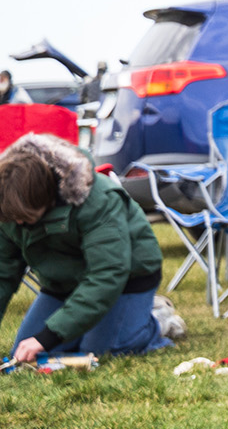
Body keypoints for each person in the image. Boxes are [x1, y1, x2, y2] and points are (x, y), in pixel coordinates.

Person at [0, 132, 171, 363]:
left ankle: (156, 320)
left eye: (25, 217)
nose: (17, 223)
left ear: (46, 199)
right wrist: (43, 340)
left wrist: (48, 335)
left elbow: (107, 274)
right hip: (64, 283)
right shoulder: (8, 202)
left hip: (126, 278)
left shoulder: (99, 198)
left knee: (101, 351)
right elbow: (3, 273)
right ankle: (114, 320)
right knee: (26, 356)